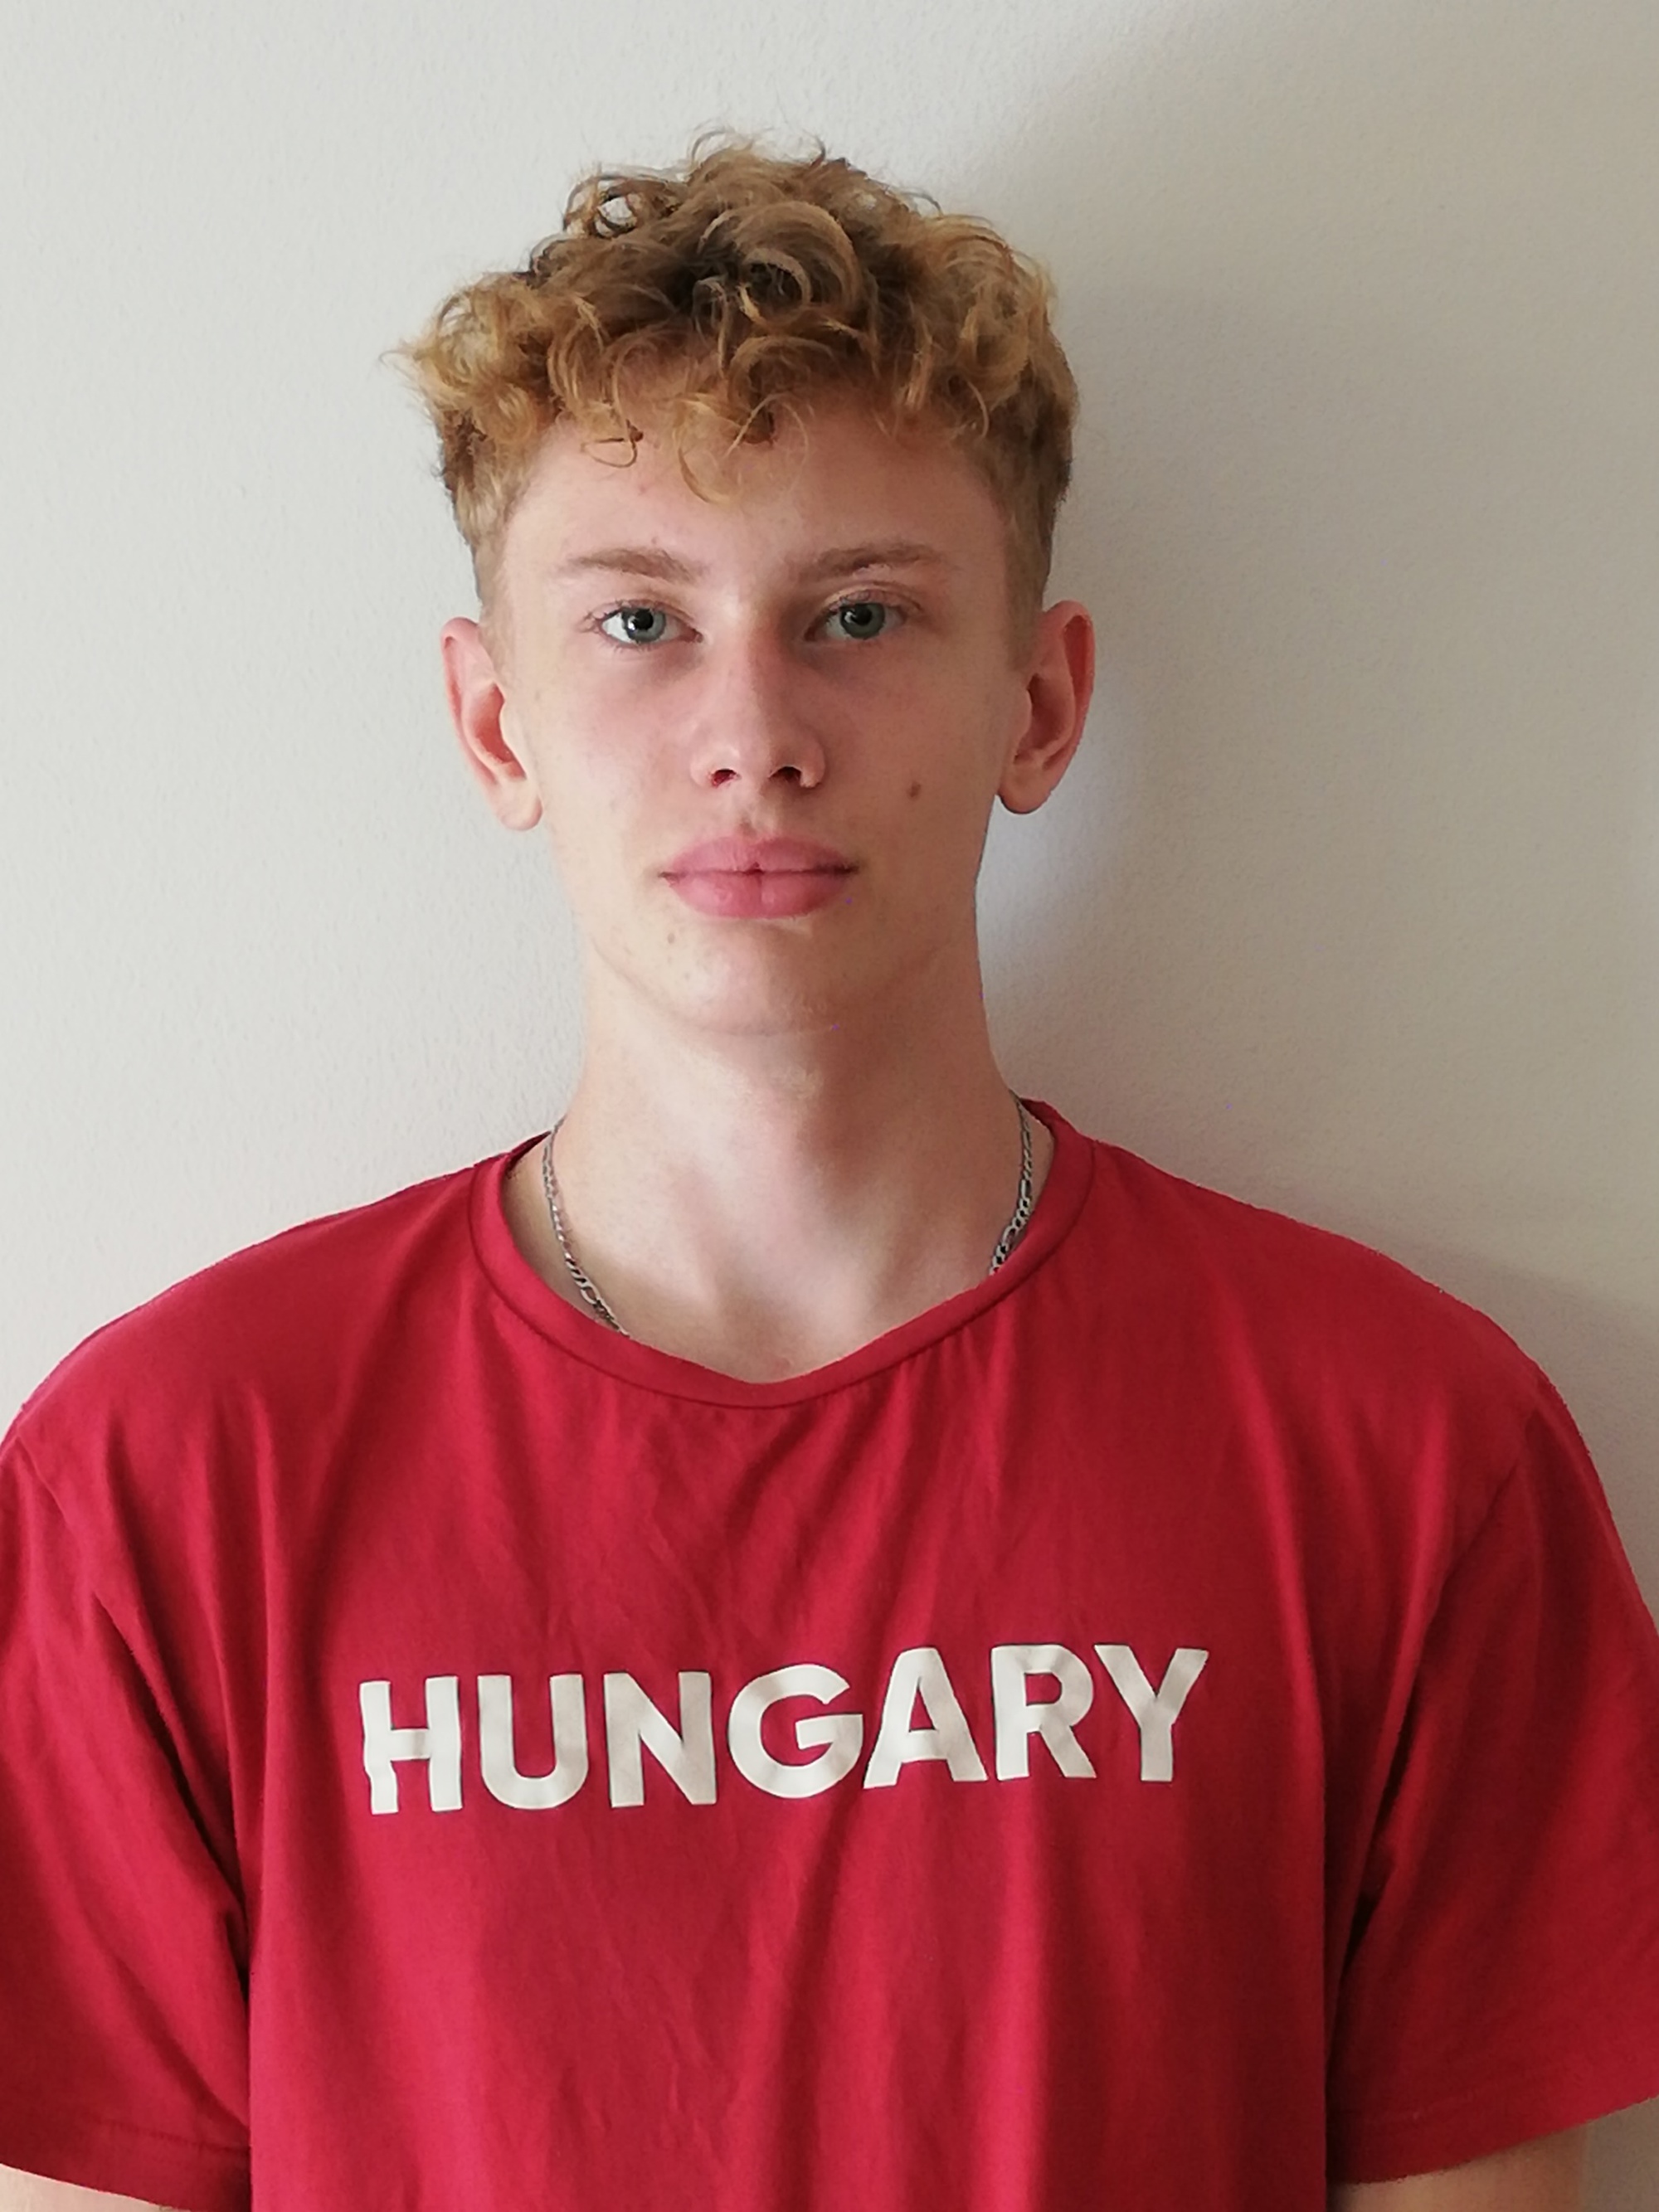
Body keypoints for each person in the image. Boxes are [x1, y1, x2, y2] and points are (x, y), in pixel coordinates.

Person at [2, 139, 1657, 2212]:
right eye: (639, 621)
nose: (754, 734)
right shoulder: (166, 1479)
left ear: (1036, 702)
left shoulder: (1405, 1452)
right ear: (495, 725)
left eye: (857, 614)